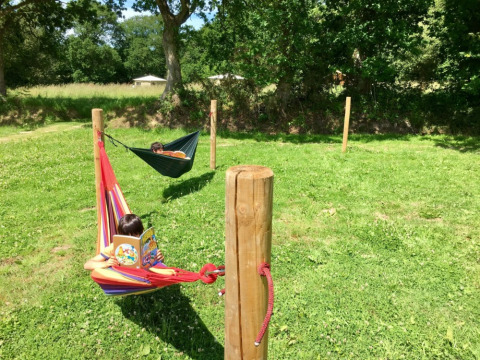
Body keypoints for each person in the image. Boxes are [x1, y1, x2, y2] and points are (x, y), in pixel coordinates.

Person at [84, 214, 164, 270]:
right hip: (125, 276)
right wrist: (106, 263)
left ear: (141, 232)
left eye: (134, 236)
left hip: (145, 274)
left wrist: (159, 259)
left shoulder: (146, 244)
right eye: (126, 236)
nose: (129, 239)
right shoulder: (115, 247)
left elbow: (155, 263)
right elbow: (87, 264)